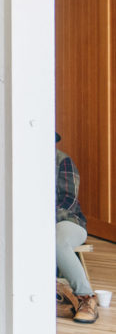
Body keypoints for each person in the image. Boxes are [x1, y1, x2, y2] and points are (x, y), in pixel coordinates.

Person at [53, 135, 99, 324]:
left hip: (68, 222)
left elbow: (68, 201)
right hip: (33, 225)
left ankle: (86, 298)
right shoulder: (22, 162)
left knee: (57, 242)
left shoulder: (62, 161)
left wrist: (39, 222)